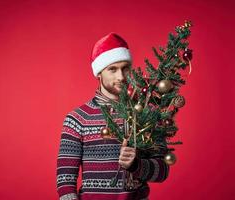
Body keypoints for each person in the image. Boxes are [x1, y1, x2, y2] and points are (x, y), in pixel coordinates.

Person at [56, 33, 169, 200]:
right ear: (99, 72)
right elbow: (65, 180)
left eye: (125, 68)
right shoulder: (77, 119)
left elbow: (163, 171)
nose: (121, 77)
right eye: (112, 69)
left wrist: (136, 165)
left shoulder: (147, 113)